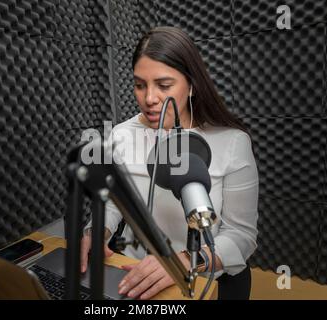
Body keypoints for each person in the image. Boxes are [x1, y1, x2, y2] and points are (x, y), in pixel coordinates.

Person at [80, 26, 259, 300]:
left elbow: (241, 235)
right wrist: (96, 229)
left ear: (192, 84)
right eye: (140, 85)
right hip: (132, 274)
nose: (149, 99)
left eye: (163, 85)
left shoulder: (233, 141)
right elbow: (115, 200)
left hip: (200, 278)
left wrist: (183, 261)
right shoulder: (121, 135)